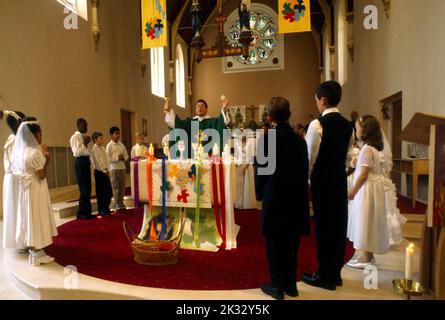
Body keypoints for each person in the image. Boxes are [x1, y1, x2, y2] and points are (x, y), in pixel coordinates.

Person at [256, 97, 310, 300]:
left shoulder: (268, 139)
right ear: (289, 114)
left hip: (275, 196)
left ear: (270, 117)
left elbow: (261, 171)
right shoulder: (299, 140)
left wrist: (260, 193)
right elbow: (304, 170)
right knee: (291, 241)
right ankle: (291, 285)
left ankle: (276, 285)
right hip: (296, 197)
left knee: (274, 242)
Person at [303, 81, 354, 291]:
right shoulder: (348, 125)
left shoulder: (317, 125)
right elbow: (349, 156)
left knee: (324, 226)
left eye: (316, 100)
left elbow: (309, 157)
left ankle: (325, 275)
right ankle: (335, 273)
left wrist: (308, 179)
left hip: (322, 180)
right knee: (338, 225)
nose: (316, 104)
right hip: (339, 179)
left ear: (322, 100)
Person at [347, 115, 406, 268]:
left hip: (366, 190)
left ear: (365, 131)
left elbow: (364, 173)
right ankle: (369, 256)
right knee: (368, 220)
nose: (356, 130)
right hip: (371, 189)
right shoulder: (371, 148)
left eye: (358, 127)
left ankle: (366, 259)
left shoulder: (367, 150)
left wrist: (353, 190)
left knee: (365, 220)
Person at [11, 120, 58, 266]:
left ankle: (33, 251)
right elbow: (41, 174)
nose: (41, 138)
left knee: (29, 217)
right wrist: (47, 158)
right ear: (33, 136)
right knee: (37, 216)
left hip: (26, 190)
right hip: (36, 188)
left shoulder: (21, 152)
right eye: (39, 135)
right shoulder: (36, 152)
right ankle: (38, 253)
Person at [164, 96, 230, 158]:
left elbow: (222, 123)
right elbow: (177, 124)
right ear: (195, 109)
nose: (200, 108)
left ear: (206, 109)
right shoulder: (189, 122)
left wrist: (224, 109)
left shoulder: (212, 122)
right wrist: (169, 111)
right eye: (198, 106)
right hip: (191, 156)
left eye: (202, 106)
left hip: (208, 156)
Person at [2, 110, 26, 251]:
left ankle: (23, 239)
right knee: (16, 207)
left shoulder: (17, 138)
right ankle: (18, 242)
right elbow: (13, 162)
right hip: (14, 177)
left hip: (17, 177)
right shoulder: (13, 139)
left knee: (19, 207)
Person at [70, 118, 95, 220]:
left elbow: (87, 151)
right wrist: (85, 143)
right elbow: (77, 152)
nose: (86, 127)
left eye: (87, 125)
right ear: (79, 125)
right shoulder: (74, 137)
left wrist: (87, 143)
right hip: (79, 162)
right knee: (83, 189)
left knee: (88, 188)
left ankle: (87, 212)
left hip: (85, 161)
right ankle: (81, 213)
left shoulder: (84, 137)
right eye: (84, 125)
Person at [106, 126, 129, 211]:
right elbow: (107, 158)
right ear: (111, 135)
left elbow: (127, 156)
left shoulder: (121, 145)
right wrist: (117, 158)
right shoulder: (109, 145)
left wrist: (123, 158)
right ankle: (117, 203)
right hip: (113, 168)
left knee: (122, 186)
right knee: (115, 187)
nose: (118, 135)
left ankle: (121, 202)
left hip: (122, 167)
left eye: (119, 133)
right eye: (116, 133)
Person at [90, 132, 113, 216]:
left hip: (106, 171)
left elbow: (107, 160)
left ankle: (106, 207)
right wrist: (104, 170)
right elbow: (97, 162)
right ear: (95, 140)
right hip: (99, 172)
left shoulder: (103, 148)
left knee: (108, 191)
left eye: (102, 138)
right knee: (101, 192)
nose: (102, 140)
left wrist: (108, 169)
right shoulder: (94, 150)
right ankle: (102, 209)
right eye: (100, 138)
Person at [234, 135, 256, 209]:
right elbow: (236, 155)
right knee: (238, 185)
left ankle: (247, 203)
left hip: (246, 166)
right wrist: (236, 163)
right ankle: (238, 203)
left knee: (246, 185)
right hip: (238, 166)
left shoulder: (249, 144)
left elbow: (250, 157)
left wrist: (245, 167)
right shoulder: (237, 144)